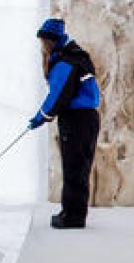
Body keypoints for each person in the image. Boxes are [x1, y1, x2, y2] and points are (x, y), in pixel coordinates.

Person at [28, 18, 102, 229]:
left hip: (77, 119)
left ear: (51, 41)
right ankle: (71, 212)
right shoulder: (74, 55)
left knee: (74, 167)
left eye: (43, 41)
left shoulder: (65, 62)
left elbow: (58, 95)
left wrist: (41, 116)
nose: (42, 46)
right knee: (77, 167)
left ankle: (73, 217)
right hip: (85, 118)